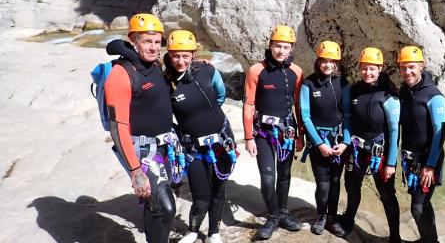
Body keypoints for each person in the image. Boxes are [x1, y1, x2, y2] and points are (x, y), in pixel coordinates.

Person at [104, 13, 177, 243]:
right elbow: (118, 128)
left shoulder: (153, 64)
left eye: (157, 42)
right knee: (166, 208)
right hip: (143, 152)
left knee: (154, 204)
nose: (154, 47)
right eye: (147, 41)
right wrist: (135, 171)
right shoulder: (121, 74)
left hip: (164, 144)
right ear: (134, 41)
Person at [164, 30, 236, 243]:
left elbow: (221, 96)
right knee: (200, 195)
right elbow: (164, 115)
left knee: (218, 190)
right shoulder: (166, 82)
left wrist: (207, 119)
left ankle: (213, 232)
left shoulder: (208, 71)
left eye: (185, 55)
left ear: (193, 54)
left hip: (220, 140)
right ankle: (194, 230)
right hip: (193, 147)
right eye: (176, 55)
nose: (180, 61)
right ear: (168, 55)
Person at [243, 25, 304, 240]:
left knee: (285, 175)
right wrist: (248, 136)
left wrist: (301, 135)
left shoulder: (296, 72)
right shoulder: (256, 70)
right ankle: (273, 216)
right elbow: (249, 104)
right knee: (268, 178)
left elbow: (298, 106)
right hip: (263, 133)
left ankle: (283, 212)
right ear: (270, 45)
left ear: (291, 48)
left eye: (285, 47)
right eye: (277, 46)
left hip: (287, 131)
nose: (281, 50)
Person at [340, 47, 401, 243]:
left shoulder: (388, 95)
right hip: (356, 149)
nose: (368, 72)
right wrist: (346, 142)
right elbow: (348, 121)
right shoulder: (353, 90)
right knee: (352, 186)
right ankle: (349, 220)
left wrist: (391, 162)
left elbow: (394, 131)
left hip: (379, 152)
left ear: (380, 69)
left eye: (372, 69)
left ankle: (395, 236)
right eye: (364, 68)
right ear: (359, 68)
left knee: (387, 194)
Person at [299, 40, 351, 237]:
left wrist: (345, 142)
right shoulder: (309, 84)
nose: (328, 65)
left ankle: (332, 217)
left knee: (336, 181)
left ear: (336, 63)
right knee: (323, 183)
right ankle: (320, 215)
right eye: (324, 61)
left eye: (332, 61)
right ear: (318, 61)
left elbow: (347, 115)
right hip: (319, 141)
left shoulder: (343, 84)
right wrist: (319, 143)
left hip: (338, 140)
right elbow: (305, 115)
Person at [397, 46, 445, 243]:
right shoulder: (404, 91)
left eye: (411, 67)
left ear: (421, 66)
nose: (407, 72)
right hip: (410, 159)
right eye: (403, 68)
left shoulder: (434, 95)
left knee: (417, 207)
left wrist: (430, 166)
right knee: (423, 204)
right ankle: (430, 238)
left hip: (427, 160)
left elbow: (440, 133)